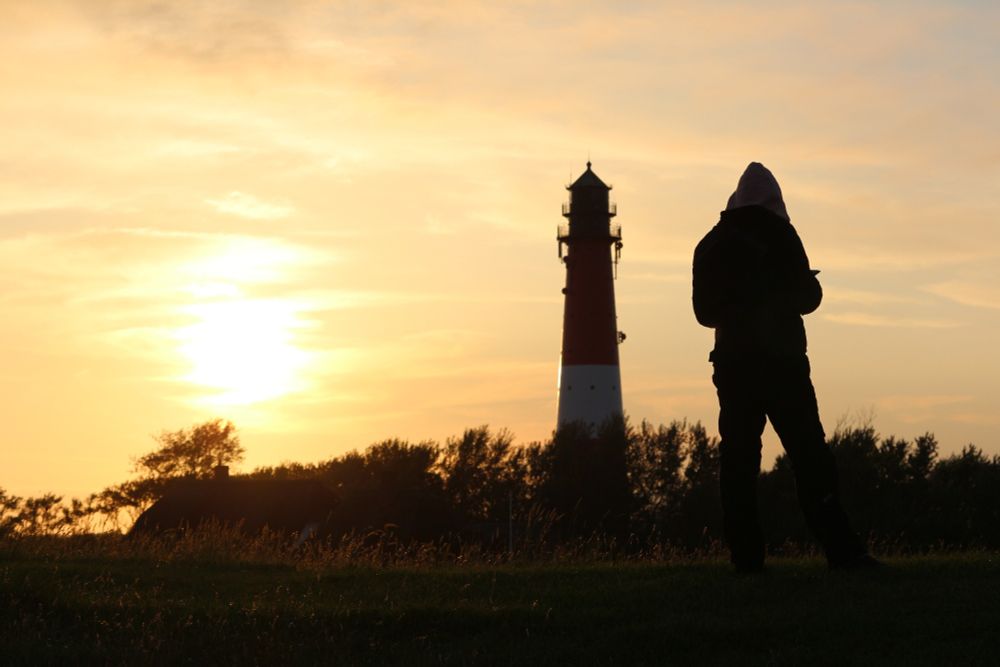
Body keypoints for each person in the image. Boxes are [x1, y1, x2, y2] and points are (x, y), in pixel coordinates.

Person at [692, 162, 876, 572]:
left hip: (733, 368)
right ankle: (843, 552)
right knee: (810, 457)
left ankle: (746, 560)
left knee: (738, 462)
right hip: (784, 366)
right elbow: (807, 299)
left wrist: (738, 304)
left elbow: (703, 313)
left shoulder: (710, 244)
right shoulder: (782, 235)